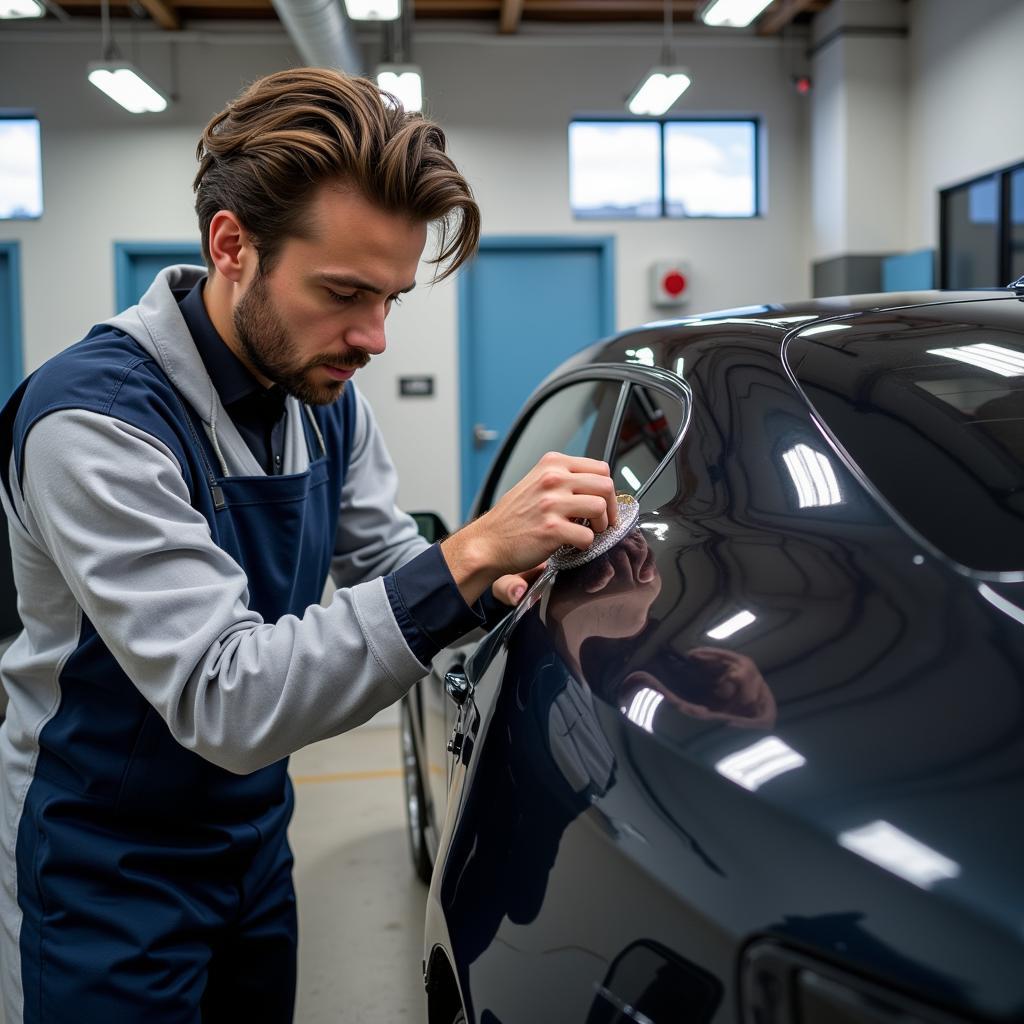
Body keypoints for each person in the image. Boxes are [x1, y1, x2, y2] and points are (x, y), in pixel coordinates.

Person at [0, 68, 618, 1023]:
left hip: (251, 842)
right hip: (101, 868)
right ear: (231, 245)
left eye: (390, 299)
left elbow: (389, 576)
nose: (372, 337)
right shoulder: (97, 420)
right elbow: (225, 696)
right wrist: (467, 556)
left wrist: (556, 596)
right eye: (342, 293)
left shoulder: (324, 403)